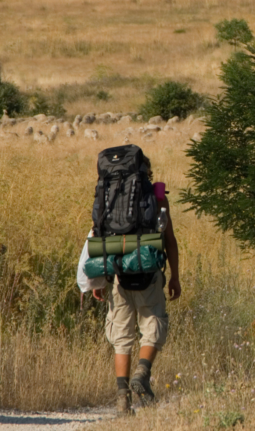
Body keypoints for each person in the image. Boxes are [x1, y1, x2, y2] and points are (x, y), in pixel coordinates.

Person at [92, 159, 181, 414]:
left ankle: (123, 400)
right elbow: (170, 240)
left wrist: (97, 280)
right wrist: (175, 276)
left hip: (118, 275)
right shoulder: (157, 197)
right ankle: (142, 373)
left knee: (121, 337)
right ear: (145, 173)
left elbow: (96, 236)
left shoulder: (108, 198)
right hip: (149, 272)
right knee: (153, 322)